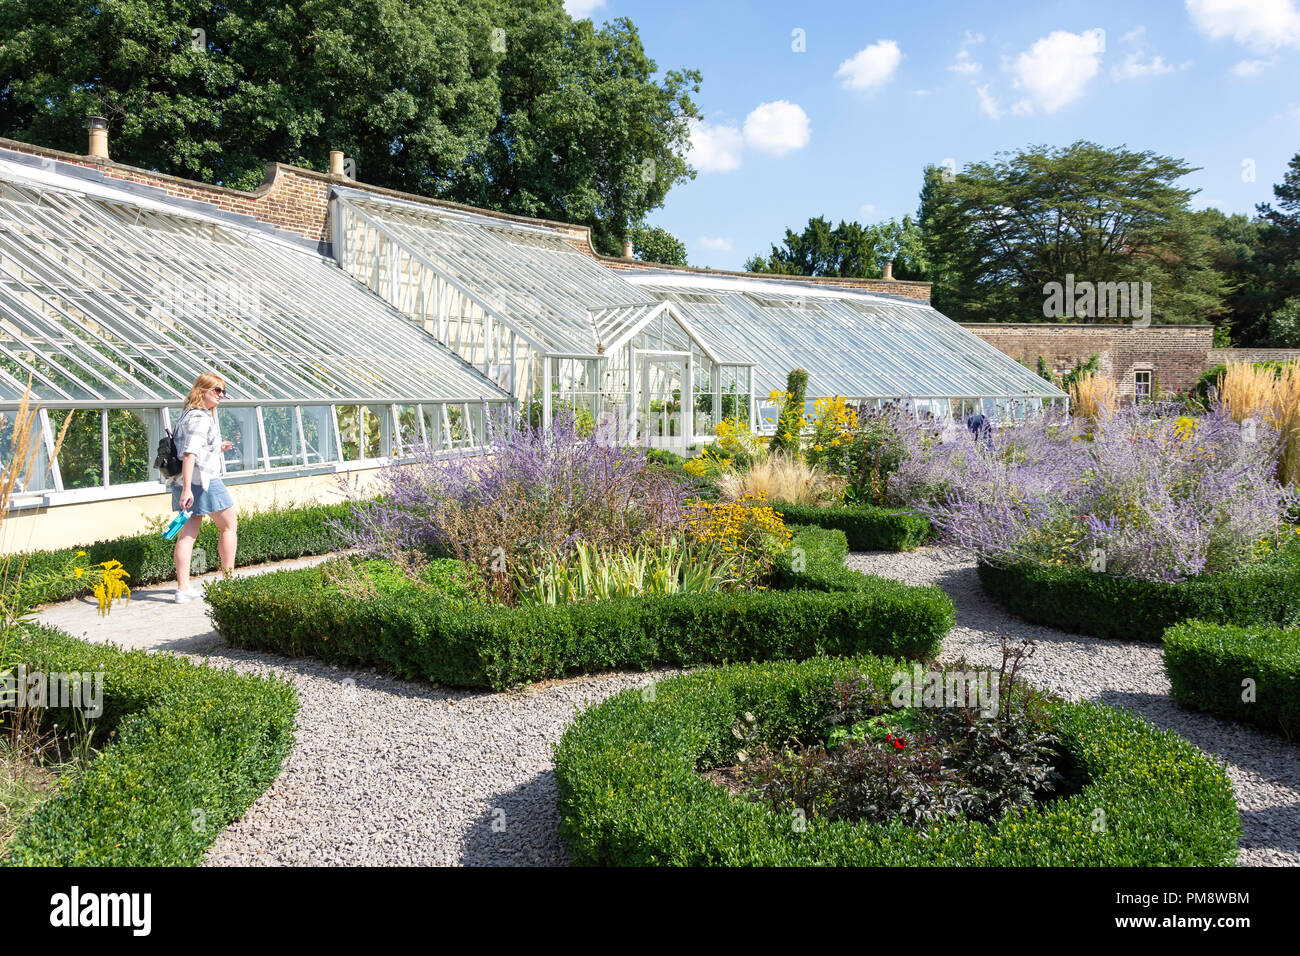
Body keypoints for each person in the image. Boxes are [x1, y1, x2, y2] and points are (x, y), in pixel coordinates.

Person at [168, 372, 237, 603]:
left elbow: (191, 449)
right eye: (216, 390)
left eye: (223, 391)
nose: (221, 395)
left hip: (184, 481)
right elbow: (189, 454)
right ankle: (229, 581)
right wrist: (188, 489)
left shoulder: (187, 414)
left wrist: (217, 447)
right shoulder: (200, 417)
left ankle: (183, 589)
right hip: (202, 482)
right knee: (229, 526)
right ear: (201, 390)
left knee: (187, 535)